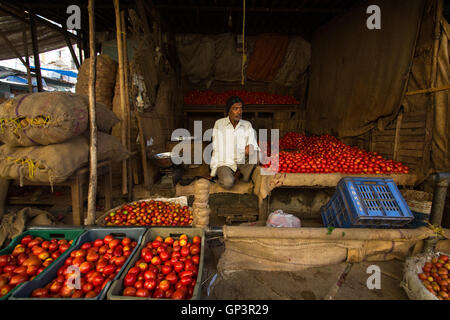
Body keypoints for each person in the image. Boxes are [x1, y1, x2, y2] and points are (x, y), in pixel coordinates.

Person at [208, 96, 259, 189]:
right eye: (235, 108)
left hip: (242, 161)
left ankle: (239, 173)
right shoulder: (219, 124)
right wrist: (213, 171)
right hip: (225, 163)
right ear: (229, 110)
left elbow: (253, 144)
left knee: (257, 154)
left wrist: (251, 147)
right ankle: (233, 176)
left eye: (241, 109)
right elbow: (216, 148)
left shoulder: (247, 125)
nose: (239, 112)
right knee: (228, 183)